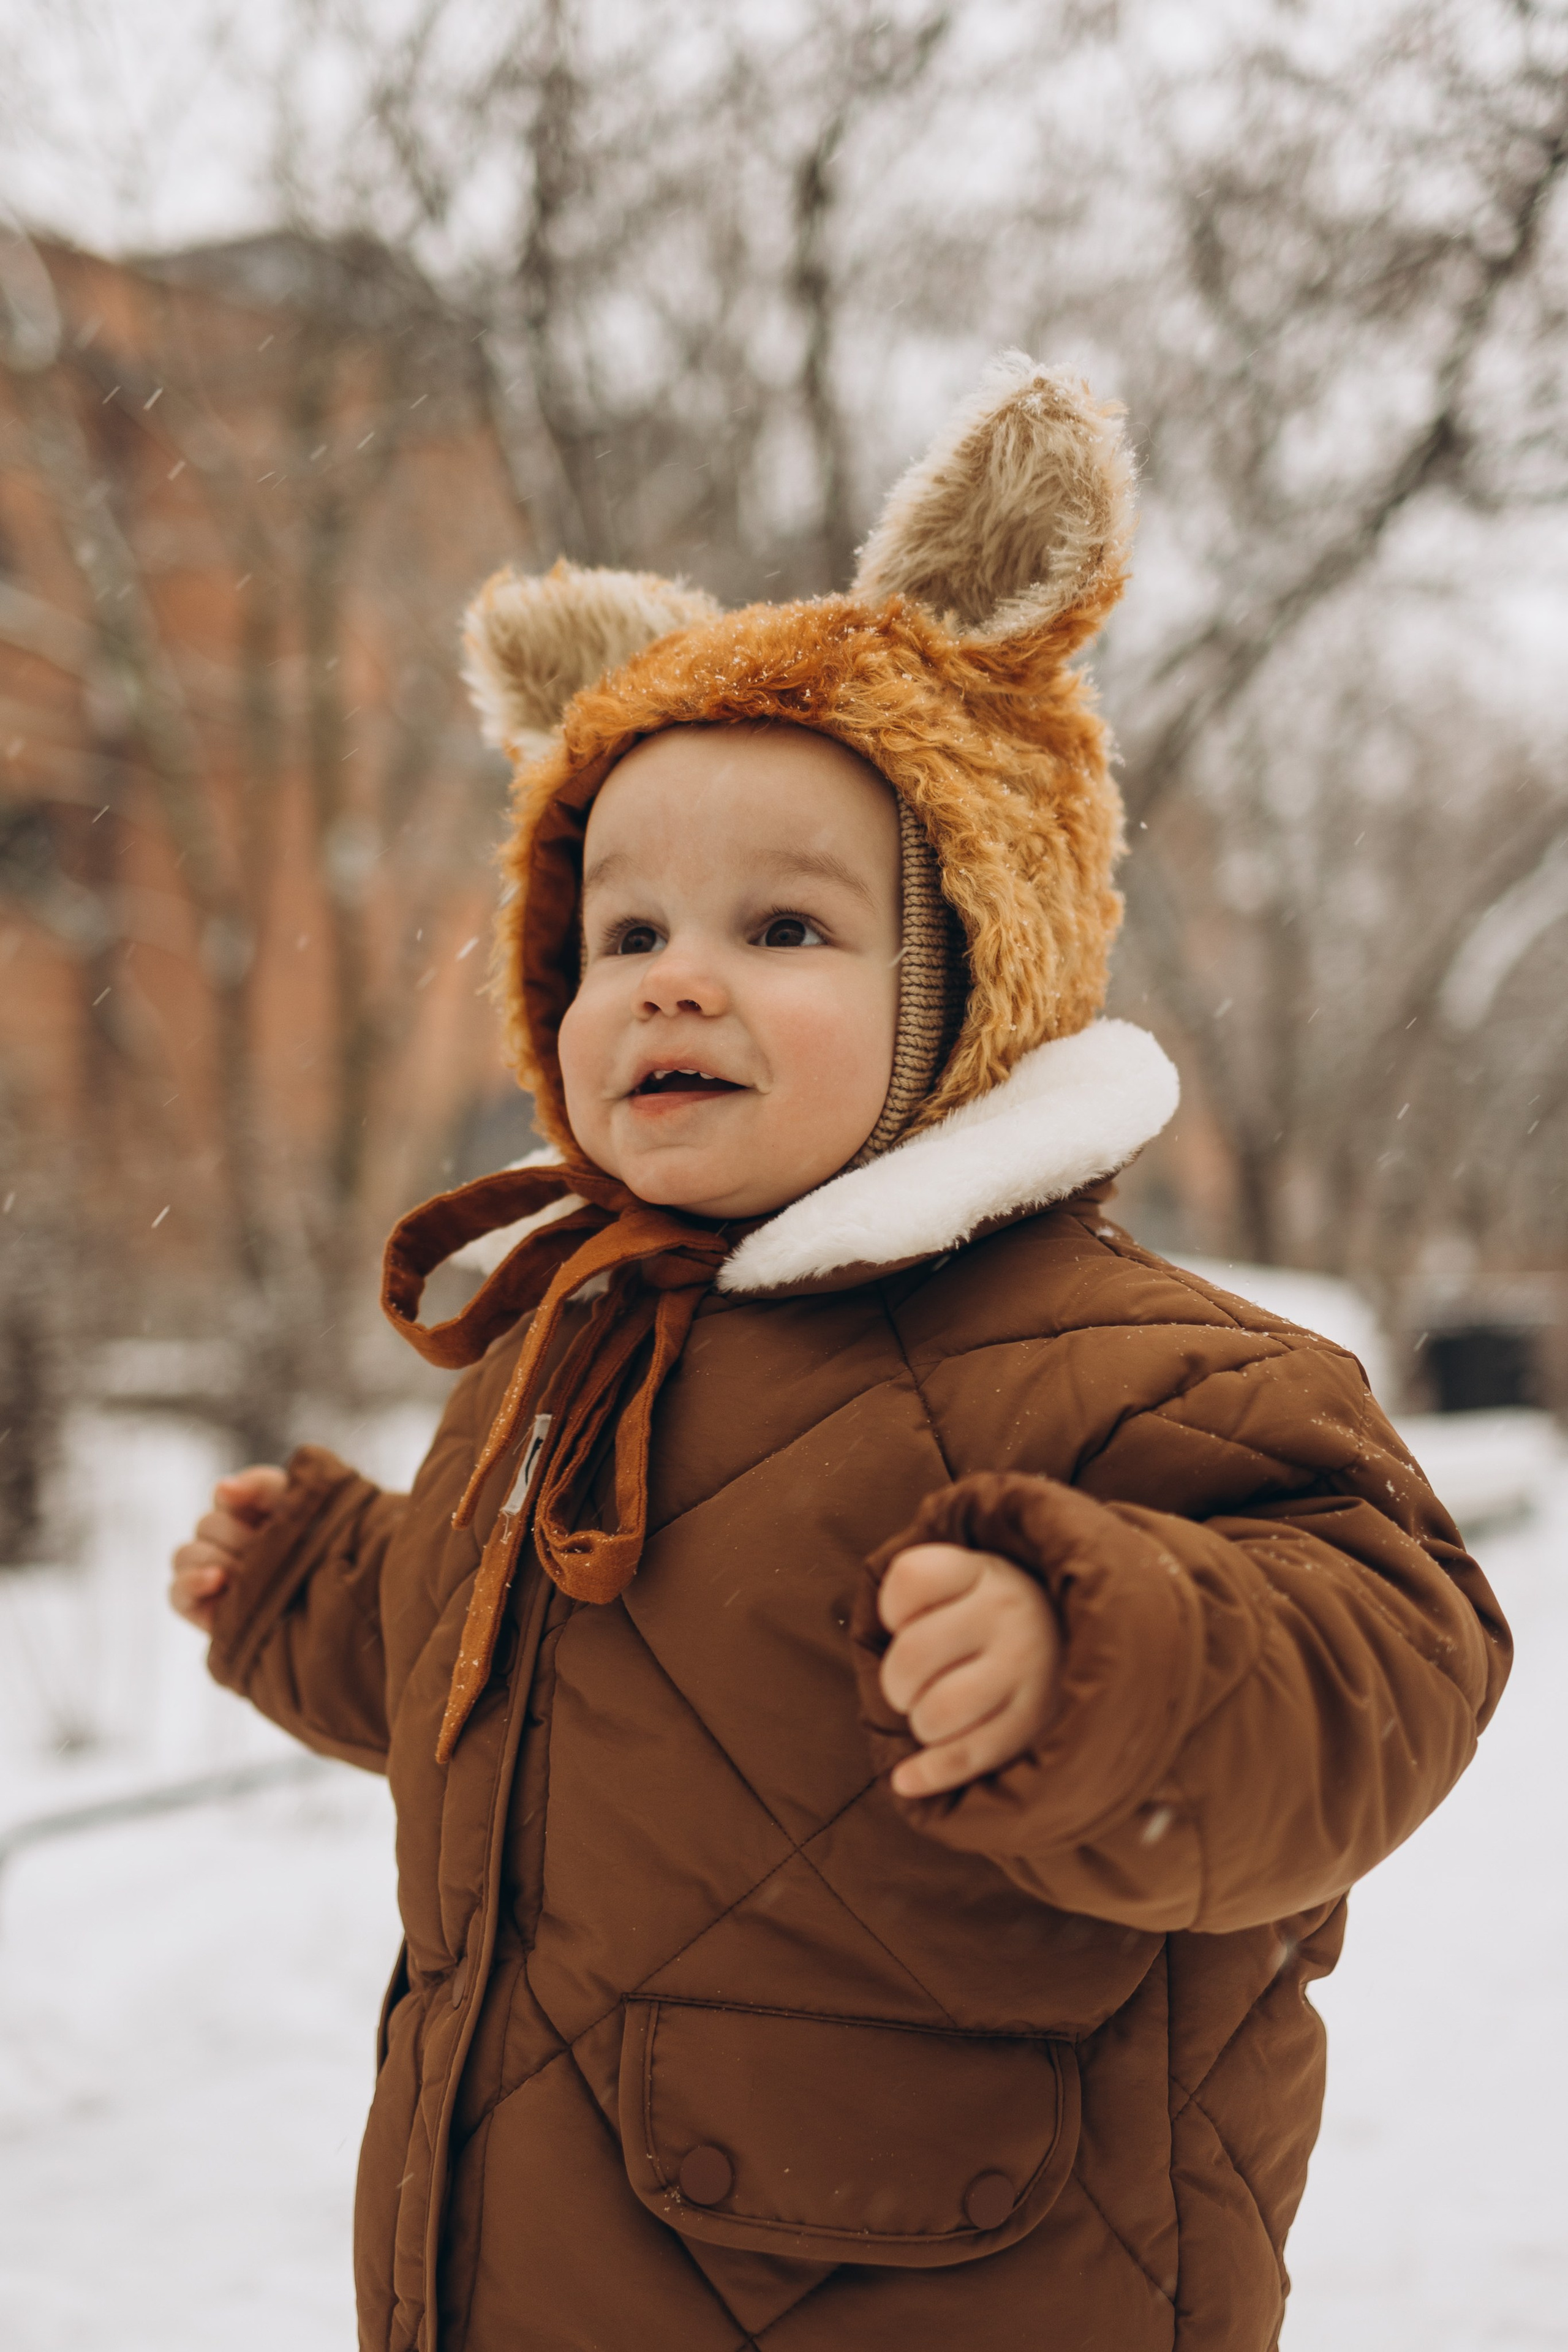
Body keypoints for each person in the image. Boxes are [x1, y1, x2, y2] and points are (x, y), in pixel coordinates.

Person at [170, 355, 1509, 2352]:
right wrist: (326, 1585)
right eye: (622, 939)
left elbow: (1388, 1665)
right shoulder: (577, 1352)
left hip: (963, 2281)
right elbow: (549, 1669)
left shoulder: (1139, 1368)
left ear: (978, 966)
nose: (676, 978)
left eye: (781, 930)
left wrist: (1102, 1659)